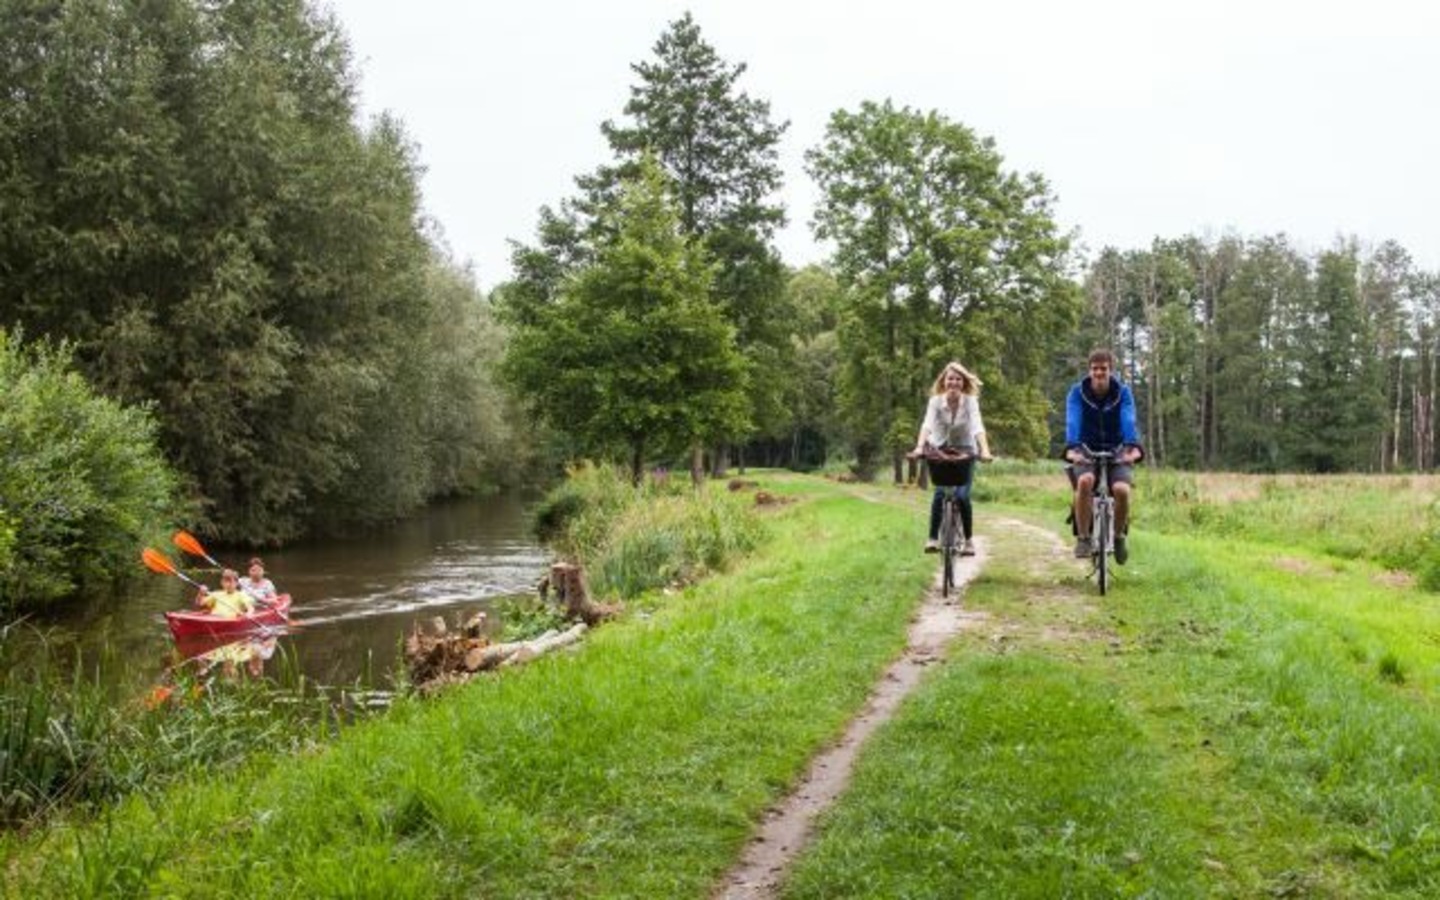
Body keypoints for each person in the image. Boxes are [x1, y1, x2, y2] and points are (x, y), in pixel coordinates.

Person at [1064, 349, 1144, 564]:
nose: (1099, 373)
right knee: (1084, 481)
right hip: (1086, 448)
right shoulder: (1077, 393)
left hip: (1117, 448)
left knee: (1121, 490)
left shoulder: (1123, 392)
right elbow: (1073, 419)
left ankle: (1118, 537)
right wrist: (1072, 447)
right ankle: (1083, 538)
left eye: (1104, 369)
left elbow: (1128, 418)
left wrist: (1131, 446)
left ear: (1111, 370)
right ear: (1089, 371)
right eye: (1095, 369)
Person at [911, 361, 994, 556]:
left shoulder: (970, 401)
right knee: (940, 493)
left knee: (962, 496)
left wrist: (985, 450)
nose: (954, 382)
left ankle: (968, 541)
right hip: (939, 450)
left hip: (965, 450)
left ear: (963, 383)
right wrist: (920, 447)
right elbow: (927, 425)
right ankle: (932, 538)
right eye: (950, 379)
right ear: (944, 381)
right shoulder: (935, 401)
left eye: (958, 379)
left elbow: (977, 426)